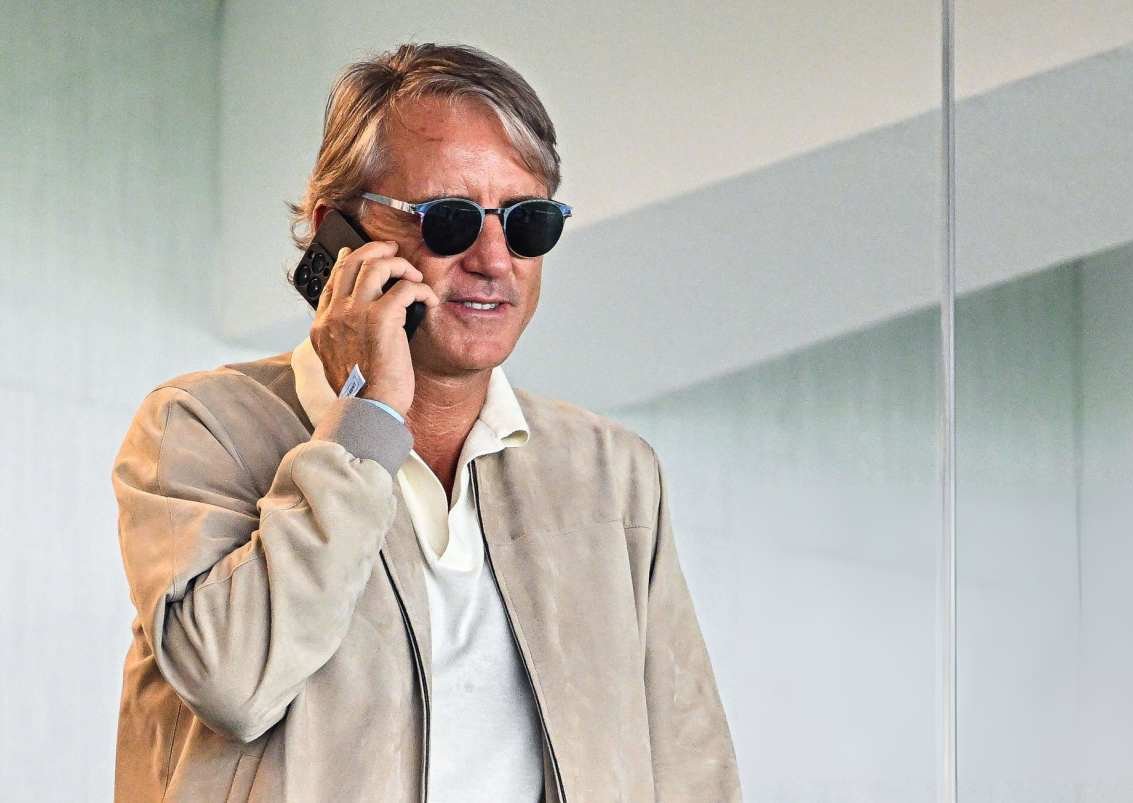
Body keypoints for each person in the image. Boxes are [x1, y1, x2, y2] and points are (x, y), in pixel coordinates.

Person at [110, 42, 740, 802]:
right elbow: (234, 684)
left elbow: (689, 762)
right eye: (449, 220)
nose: (494, 259)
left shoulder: (612, 473)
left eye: (527, 221)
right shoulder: (201, 428)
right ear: (341, 234)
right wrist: (365, 423)